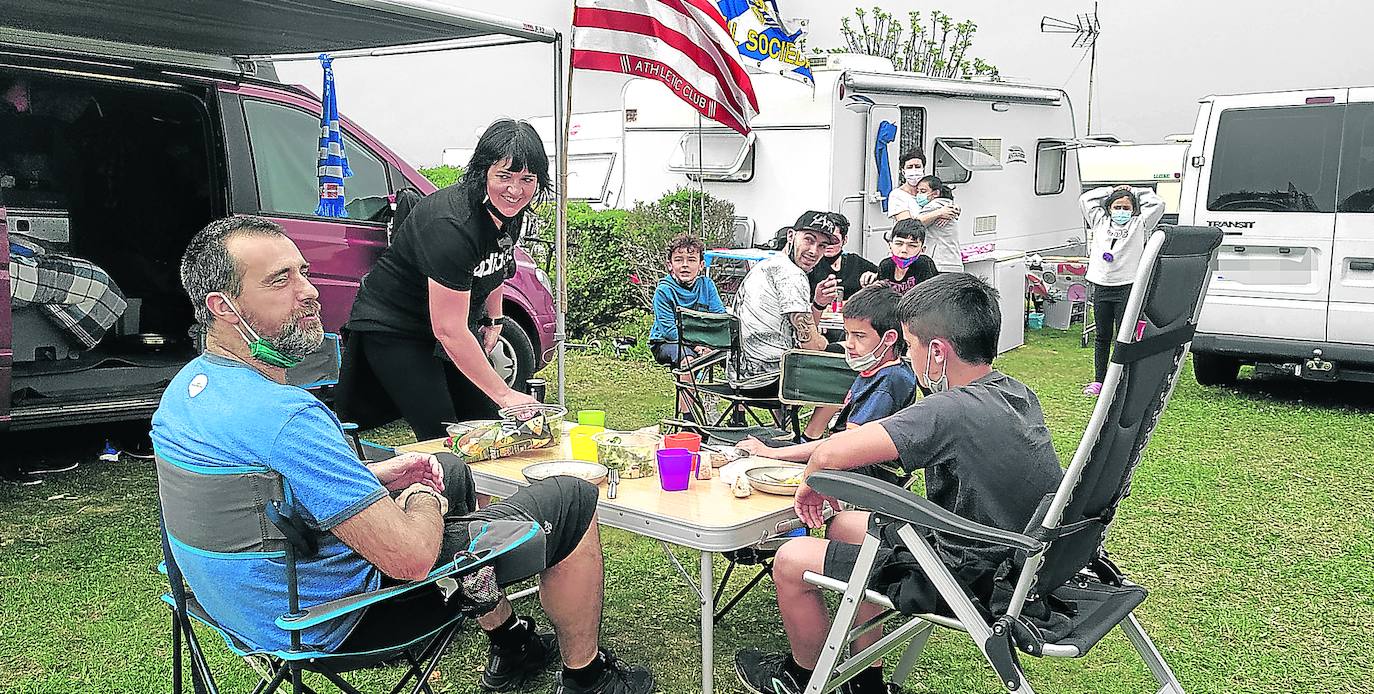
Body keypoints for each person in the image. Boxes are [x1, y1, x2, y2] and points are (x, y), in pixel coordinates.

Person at [154, 216, 654, 694]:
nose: (307, 291)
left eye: (303, 271)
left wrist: (373, 473)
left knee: (452, 468)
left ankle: (511, 642)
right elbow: (411, 559)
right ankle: (587, 677)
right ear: (223, 305)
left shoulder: (186, 394)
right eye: (279, 280)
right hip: (335, 620)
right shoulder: (286, 418)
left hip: (240, 604)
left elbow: (261, 492)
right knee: (572, 499)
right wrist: (420, 495)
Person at [732, 274, 1064, 694]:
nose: (908, 356)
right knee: (847, 526)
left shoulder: (948, 409)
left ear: (939, 352)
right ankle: (866, 683)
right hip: (1015, 554)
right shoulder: (1014, 392)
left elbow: (833, 453)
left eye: (910, 346)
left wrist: (812, 482)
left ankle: (801, 679)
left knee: (792, 559)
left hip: (973, 575)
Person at [336, 119, 544, 442]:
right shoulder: (452, 225)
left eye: (526, 179)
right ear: (483, 171)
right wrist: (506, 394)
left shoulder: (508, 213)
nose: (515, 190)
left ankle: (478, 494)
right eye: (504, 176)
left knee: (486, 425)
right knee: (445, 433)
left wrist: (495, 318)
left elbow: (497, 265)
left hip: (447, 325)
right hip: (394, 327)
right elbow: (448, 330)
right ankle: (444, 492)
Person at [736, 284, 915, 485]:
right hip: (845, 461)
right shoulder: (879, 369)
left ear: (889, 338)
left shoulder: (888, 383)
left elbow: (847, 446)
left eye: (859, 336)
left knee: (759, 457)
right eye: (847, 334)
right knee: (752, 444)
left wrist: (774, 454)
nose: (849, 343)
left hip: (861, 476)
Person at [732, 211, 843, 439]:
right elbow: (811, 346)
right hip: (772, 380)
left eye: (822, 246)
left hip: (740, 376)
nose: (814, 251)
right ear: (791, 236)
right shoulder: (792, 276)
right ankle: (808, 439)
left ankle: (786, 431)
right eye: (809, 240)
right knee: (849, 363)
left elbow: (801, 331)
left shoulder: (766, 265)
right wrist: (826, 342)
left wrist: (818, 305)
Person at [1081, 185, 1164, 396]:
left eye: (1126, 207)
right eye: (1117, 207)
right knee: (1102, 336)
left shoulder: (1140, 224)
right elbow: (1086, 199)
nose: (1121, 211)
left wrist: (1134, 190)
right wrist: (1112, 190)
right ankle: (1100, 380)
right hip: (1102, 285)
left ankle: (1124, 379)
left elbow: (1158, 204)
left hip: (1127, 286)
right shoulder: (1099, 221)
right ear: (1108, 208)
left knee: (1125, 334)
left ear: (1133, 209)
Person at [647, 232, 727, 366]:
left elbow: (720, 318)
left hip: (701, 340)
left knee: (732, 356)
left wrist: (713, 344)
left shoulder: (707, 285)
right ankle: (687, 387)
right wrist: (697, 346)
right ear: (670, 265)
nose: (685, 265)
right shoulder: (664, 291)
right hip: (667, 342)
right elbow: (669, 332)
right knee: (689, 361)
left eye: (691, 260)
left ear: (701, 265)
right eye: (678, 260)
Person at [886, 151, 963, 272]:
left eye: (917, 166)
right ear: (903, 171)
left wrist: (953, 209)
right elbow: (908, 226)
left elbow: (948, 204)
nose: (914, 170)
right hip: (910, 256)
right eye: (910, 167)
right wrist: (939, 213)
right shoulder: (897, 195)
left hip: (939, 256)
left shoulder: (930, 193)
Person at [806, 212, 877, 307]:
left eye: (834, 240)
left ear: (844, 240)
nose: (829, 245)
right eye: (825, 240)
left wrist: (874, 277)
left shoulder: (855, 262)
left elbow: (885, 276)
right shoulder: (812, 262)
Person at [871, 219, 938, 294]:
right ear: (890, 245)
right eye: (899, 244)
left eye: (912, 245)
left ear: (922, 250)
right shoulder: (885, 266)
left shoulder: (924, 264)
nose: (904, 250)